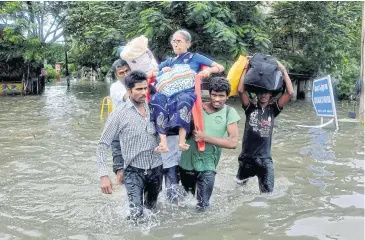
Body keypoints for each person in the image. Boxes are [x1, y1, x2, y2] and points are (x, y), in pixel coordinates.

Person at [97, 70, 163, 219]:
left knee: (152, 211)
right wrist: (103, 175)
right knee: (136, 214)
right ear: (129, 90)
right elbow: (102, 145)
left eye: (145, 88)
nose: (143, 92)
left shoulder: (155, 108)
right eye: (139, 89)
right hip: (134, 171)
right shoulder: (118, 114)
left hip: (157, 168)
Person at [149, 29, 225, 153]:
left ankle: (182, 141)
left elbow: (220, 67)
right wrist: (162, 71)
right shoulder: (170, 61)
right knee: (157, 99)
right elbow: (150, 73)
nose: (175, 44)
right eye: (173, 41)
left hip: (186, 90)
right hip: (168, 92)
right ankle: (163, 143)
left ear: (188, 44)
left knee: (183, 99)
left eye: (179, 41)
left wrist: (208, 71)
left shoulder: (195, 57)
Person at [178, 77, 241, 211]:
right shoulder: (195, 108)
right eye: (214, 95)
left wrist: (205, 137)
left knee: (203, 206)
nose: (217, 99)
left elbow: (233, 142)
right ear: (209, 94)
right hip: (186, 163)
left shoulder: (230, 113)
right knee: (184, 204)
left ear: (227, 96)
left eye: (221, 96)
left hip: (208, 165)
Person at [235, 61, 294, 193]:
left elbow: (290, 93)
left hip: (265, 160)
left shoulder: (273, 110)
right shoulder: (250, 108)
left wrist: (283, 70)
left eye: (266, 92)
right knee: (238, 189)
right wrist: (246, 68)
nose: (263, 95)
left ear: (270, 94)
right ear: (257, 93)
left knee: (268, 195)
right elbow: (240, 90)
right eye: (260, 92)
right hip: (247, 158)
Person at [109, 59, 131, 185]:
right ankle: (118, 200)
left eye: (127, 70)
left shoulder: (137, 84)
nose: (125, 74)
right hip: (118, 131)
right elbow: (129, 98)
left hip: (133, 130)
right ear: (116, 75)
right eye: (121, 73)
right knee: (121, 171)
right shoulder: (116, 87)